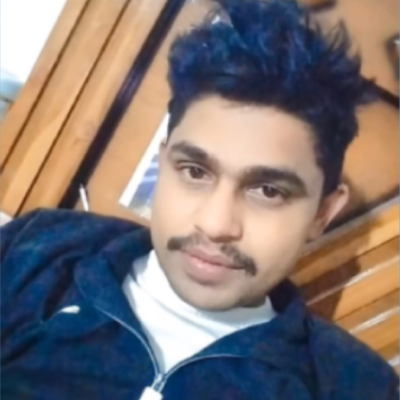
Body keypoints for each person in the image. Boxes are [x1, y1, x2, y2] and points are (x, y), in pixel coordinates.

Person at [1, 1, 397, 399]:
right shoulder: (39, 252)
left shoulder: (355, 386)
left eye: (269, 191)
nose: (215, 223)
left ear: (322, 213)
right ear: (163, 164)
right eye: (195, 171)